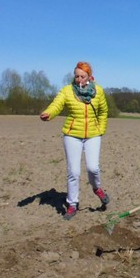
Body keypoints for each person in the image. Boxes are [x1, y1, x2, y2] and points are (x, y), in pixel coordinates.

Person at [40, 61, 111, 221]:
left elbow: (103, 111)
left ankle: (97, 189)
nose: (79, 79)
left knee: (93, 168)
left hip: (93, 134)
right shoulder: (67, 91)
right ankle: (72, 204)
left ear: (89, 76)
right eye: (77, 76)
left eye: (82, 76)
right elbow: (56, 105)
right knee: (74, 172)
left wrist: (101, 129)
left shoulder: (98, 91)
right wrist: (48, 114)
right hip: (72, 134)